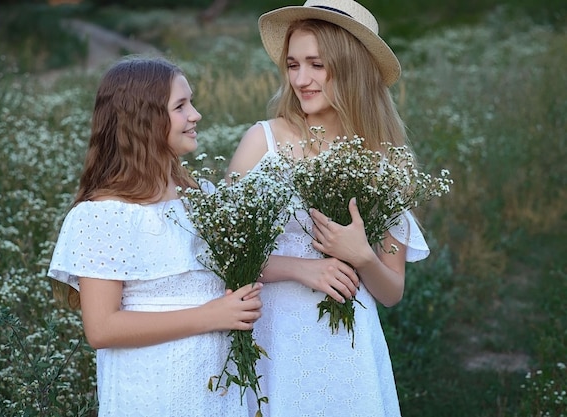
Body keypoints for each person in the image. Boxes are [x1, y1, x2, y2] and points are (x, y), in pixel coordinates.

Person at [226, 1, 430, 416]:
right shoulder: (262, 142)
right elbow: (223, 255)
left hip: (349, 351)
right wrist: (301, 268)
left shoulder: (383, 160)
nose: (301, 79)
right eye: (293, 64)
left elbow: (391, 291)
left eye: (316, 65)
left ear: (351, 68)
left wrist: (362, 256)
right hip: (276, 342)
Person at [47, 57, 262, 417]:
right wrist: (212, 315)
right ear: (143, 119)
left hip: (218, 389)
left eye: (190, 103)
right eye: (180, 106)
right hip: (151, 391)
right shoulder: (102, 214)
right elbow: (101, 328)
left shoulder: (202, 197)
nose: (195, 115)